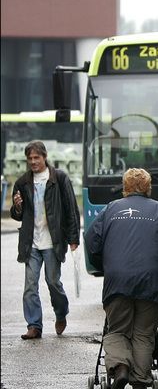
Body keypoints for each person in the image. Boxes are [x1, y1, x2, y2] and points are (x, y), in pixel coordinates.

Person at [84, 168, 158, 389]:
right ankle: (140, 380)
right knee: (143, 333)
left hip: (118, 281)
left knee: (118, 330)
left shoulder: (110, 210)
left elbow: (91, 239)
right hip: (152, 281)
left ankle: (120, 367)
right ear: (148, 188)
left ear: (125, 188)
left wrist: (105, 264)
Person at [10, 140, 80, 340]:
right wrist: (17, 207)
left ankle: (61, 313)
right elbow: (17, 215)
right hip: (30, 242)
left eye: (36, 158)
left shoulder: (59, 179)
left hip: (53, 242)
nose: (33, 162)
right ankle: (34, 326)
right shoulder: (22, 182)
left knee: (53, 282)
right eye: (30, 158)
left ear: (44, 157)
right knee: (30, 286)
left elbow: (71, 210)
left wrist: (73, 239)